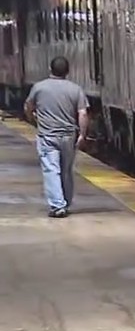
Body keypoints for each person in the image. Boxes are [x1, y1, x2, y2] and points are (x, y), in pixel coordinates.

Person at [24, 56, 88, 217]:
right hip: (68, 136)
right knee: (66, 170)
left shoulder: (39, 88)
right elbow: (83, 113)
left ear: (50, 70)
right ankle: (65, 201)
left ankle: (58, 206)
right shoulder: (75, 89)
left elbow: (28, 107)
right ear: (67, 71)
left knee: (51, 169)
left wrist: (34, 119)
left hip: (47, 136)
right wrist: (82, 134)